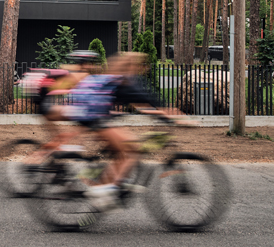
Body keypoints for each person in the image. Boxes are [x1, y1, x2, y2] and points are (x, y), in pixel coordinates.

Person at [65, 52, 193, 211]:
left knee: (122, 150)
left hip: (91, 116)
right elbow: (151, 102)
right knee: (133, 150)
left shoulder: (117, 79)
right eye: (141, 65)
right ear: (132, 66)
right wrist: (178, 119)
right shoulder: (125, 82)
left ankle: (104, 184)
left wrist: (162, 115)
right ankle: (108, 191)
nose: (143, 69)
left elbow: (144, 107)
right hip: (95, 118)